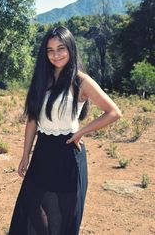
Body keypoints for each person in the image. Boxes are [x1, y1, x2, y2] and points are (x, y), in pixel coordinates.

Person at [8, 26, 122, 235]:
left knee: (65, 213)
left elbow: (113, 112)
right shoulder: (42, 78)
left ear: (70, 49)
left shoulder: (81, 80)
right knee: (31, 204)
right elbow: (33, 119)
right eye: (50, 50)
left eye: (61, 48)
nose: (56, 55)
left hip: (68, 152)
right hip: (42, 151)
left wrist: (81, 132)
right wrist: (25, 154)